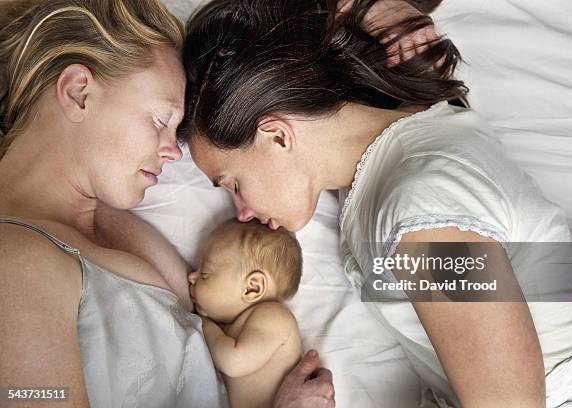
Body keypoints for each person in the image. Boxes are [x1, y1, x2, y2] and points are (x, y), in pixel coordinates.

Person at [180, 0, 572, 406]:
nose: (242, 213)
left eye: (233, 183)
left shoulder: (422, 214)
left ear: (277, 135)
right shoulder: (400, 135)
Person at [0, 0, 333, 406]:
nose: (174, 154)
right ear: (78, 92)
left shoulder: (101, 227)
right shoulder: (13, 266)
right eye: (160, 121)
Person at [189, 219, 302, 408]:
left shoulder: (275, 318)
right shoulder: (236, 325)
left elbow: (234, 361)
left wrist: (203, 325)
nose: (191, 277)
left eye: (205, 273)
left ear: (252, 288)